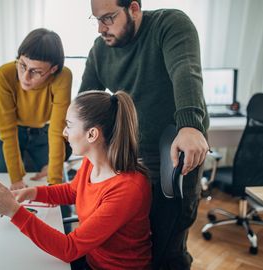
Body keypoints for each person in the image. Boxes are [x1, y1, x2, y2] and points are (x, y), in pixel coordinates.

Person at [79, 0, 209, 269]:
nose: (101, 28)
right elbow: (85, 102)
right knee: (131, 244)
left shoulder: (169, 25)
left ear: (134, 9)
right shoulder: (100, 49)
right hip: (128, 157)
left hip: (172, 152)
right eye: (97, 20)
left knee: (167, 246)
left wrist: (190, 125)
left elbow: (186, 71)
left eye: (109, 18)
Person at [0, 91, 152, 269]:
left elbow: (69, 249)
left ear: (92, 135)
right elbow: (72, 191)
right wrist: (30, 193)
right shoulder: (92, 164)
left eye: (69, 125)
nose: (64, 132)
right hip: (92, 259)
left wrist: (13, 211)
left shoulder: (128, 189)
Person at [0, 28, 72, 190]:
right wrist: (16, 179)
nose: (25, 77)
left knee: (56, 181)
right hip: (9, 129)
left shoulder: (63, 77)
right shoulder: (5, 73)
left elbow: (57, 131)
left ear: (53, 69)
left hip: (44, 131)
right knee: (8, 183)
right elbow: (7, 131)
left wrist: (54, 184)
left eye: (35, 71)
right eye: (22, 65)